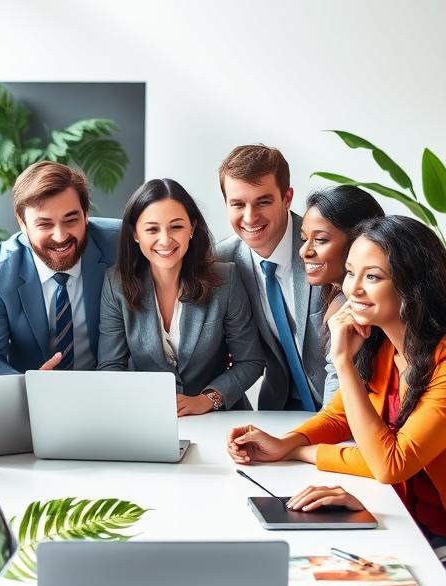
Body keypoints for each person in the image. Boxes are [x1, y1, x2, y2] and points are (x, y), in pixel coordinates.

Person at [227, 215, 446, 586]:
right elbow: (342, 414)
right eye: (351, 272)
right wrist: (288, 441)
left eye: (373, 277)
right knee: (311, 569)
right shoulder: (387, 343)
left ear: (413, 286)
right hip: (417, 522)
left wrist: (339, 369)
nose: (354, 289)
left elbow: (392, 463)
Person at [97, 178, 264, 413]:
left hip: (221, 418)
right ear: (135, 233)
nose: (165, 240)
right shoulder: (116, 284)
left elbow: (250, 361)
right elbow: (110, 366)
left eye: (176, 226)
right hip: (147, 417)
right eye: (152, 229)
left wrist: (207, 400)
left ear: (192, 228)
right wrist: (141, 403)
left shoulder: (226, 279)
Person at [0, 161, 120, 375]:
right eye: (44, 224)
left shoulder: (122, 245)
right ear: (22, 223)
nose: (60, 236)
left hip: (111, 391)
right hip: (31, 398)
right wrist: (30, 384)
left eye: (71, 220)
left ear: (86, 214)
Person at [215, 144, 328, 411]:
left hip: (343, 406)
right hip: (279, 408)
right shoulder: (222, 261)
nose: (250, 216)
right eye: (238, 204)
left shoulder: (327, 244)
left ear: (287, 198)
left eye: (263, 201)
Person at [299, 185, 385, 403]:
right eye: (303, 239)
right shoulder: (338, 302)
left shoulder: (374, 308)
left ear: (359, 241)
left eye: (320, 240)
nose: (304, 251)